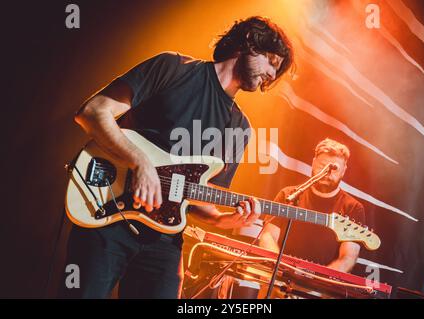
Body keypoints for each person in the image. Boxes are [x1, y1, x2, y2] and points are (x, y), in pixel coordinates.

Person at [60, 16, 294, 298]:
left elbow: (192, 195)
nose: (271, 74)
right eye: (271, 60)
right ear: (249, 43)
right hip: (109, 214)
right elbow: (93, 111)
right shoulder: (173, 68)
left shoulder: (239, 128)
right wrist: (140, 162)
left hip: (163, 239)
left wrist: (222, 220)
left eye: (277, 70)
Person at [259, 138, 366, 273]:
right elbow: (268, 236)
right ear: (313, 162)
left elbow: (348, 257)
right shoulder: (288, 195)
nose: (328, 173)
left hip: (320, 290)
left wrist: (316, 280)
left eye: (334, 168)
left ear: (344, 170)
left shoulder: (353, 208)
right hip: (277, 278)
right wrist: (282, 272)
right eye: (323, 166)